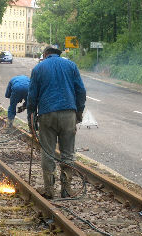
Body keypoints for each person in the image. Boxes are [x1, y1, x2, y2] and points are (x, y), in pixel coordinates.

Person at [27, 46, 86, 199]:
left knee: (48, 152)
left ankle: (49, 190)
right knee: (67, 153)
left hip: (47, 114)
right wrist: (79, 112)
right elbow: (81, 91)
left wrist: (31, 118)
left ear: (46, 55)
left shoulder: (38, 68)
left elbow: (32, 96)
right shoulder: (71, 66)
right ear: (59, 54)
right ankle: (66, 189)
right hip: (69, 113)